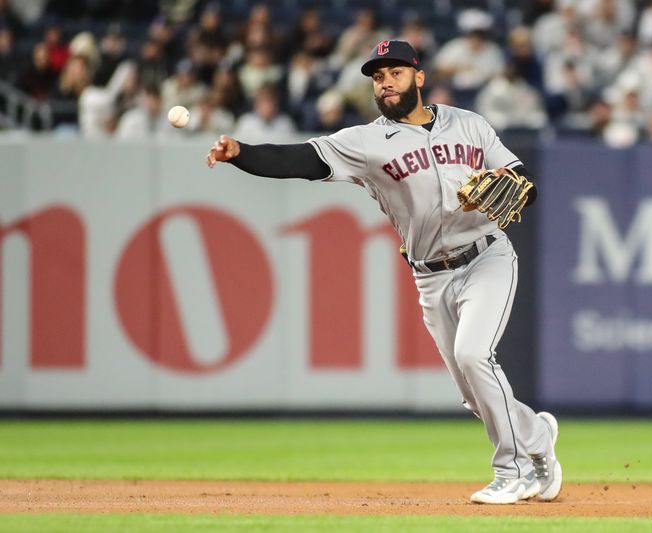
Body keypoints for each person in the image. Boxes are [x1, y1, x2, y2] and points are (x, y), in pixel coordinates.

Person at [206, 40, 562, 505]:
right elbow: (299, 159)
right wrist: (240, 152)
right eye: (377, 76)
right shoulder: (366, 142)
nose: (385, 82)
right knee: (476, 396)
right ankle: (537, 439)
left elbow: (520, 180)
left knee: (476, 356)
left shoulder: (469, 124)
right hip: (431, 276)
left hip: (487, 257)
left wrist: (514, 188)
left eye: (394, 72)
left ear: (419, 76)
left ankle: (511, 472)